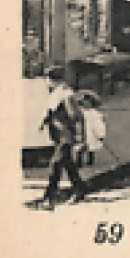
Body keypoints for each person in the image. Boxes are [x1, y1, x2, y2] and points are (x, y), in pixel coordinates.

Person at [35, 67, 87, 207]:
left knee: (56, 165)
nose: (46, 83)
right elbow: (51, 111)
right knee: (68, 165)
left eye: (47, 80)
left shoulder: (65, 94)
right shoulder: (57, 93)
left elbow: (74, 116)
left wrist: (79, 137)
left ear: (53, 80)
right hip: (59, 135)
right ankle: (79, 189)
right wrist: (44, 122)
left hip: (66, 136)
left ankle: (50, 196)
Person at [75, 88, 107, 168]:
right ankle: (78, 162)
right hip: (81, 132)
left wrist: (100, 134)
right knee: (79, 148)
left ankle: (90, 160)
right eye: (84, 102)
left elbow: (98, 124)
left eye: (88, 102)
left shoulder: (95, 114)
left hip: (91, 133)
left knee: (91, 148)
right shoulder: (79, 112)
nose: (86, 104)